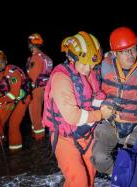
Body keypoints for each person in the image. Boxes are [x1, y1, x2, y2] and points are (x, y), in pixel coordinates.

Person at [90, 26, 137, 174]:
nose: (131, 54)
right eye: (125, 51)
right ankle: (120, 176)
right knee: (99, 158)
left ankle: (134, 177)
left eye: (134, 48)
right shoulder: (103, 65)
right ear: (114, 52)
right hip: (111, 124)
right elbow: (89, 89)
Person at [42, 31, 109, 187]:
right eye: (85, 63)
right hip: (65, 139)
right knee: (79, 180)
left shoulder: (89, 73)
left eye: (92, 64)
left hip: (87, 135)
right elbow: (72, 116)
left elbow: (98, 95)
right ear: (72, 58)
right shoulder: (61, 78)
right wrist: (100, 114)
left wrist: (106, 105)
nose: (89, 68)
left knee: (90, 178)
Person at [26, 33, 53, 140]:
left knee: (35, 114)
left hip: (36, 90)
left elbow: (32, 77)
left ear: (31, 45)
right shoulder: (47, 58)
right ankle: (38, 134)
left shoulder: (35, 58)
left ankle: (39, 138)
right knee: (42, 112)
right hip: (45, 88)